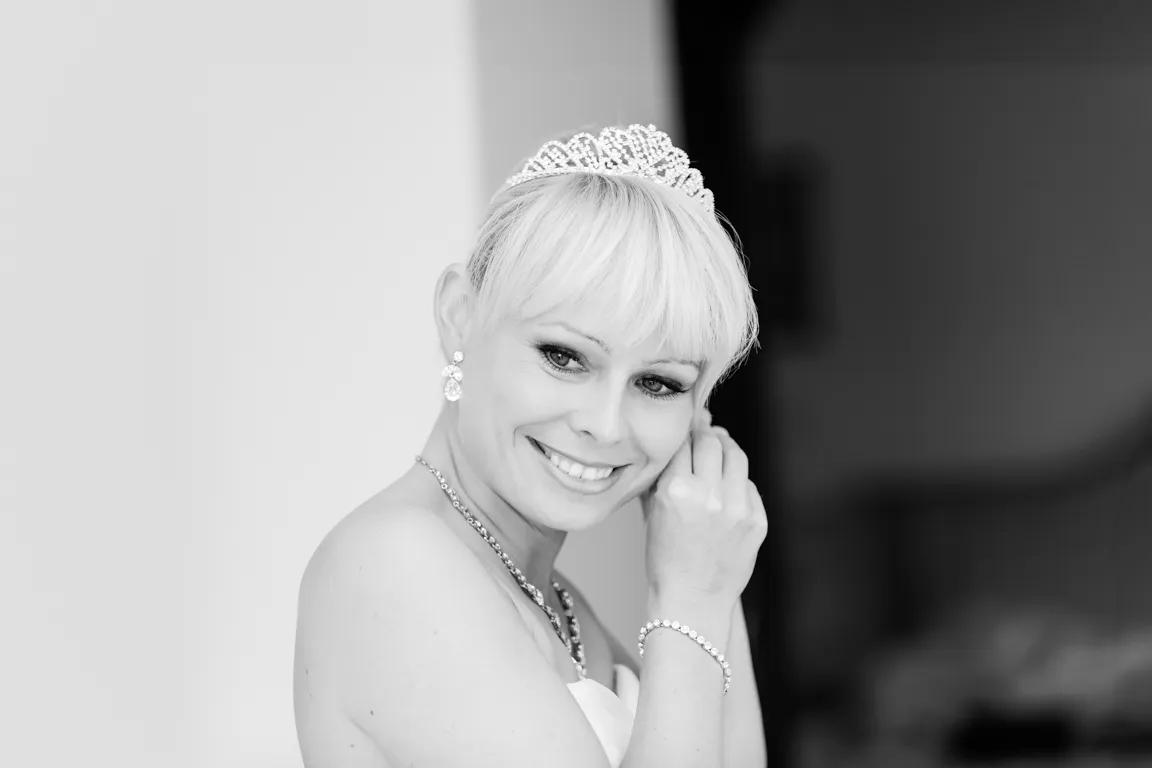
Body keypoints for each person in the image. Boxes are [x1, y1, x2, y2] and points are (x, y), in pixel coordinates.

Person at [293, 124, 768, 767]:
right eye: (564, 356)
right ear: (460, 313)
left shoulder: (560, 607)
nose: (605, 424)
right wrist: (692, 599)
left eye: (658, 382)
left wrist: (712, 573)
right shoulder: (393, 563)